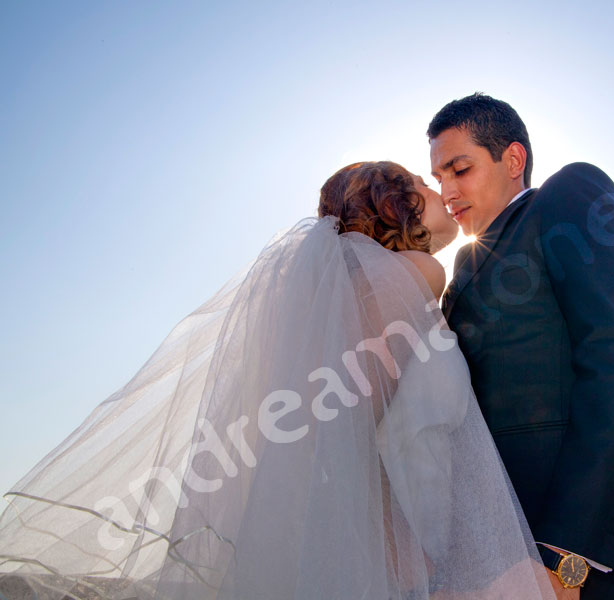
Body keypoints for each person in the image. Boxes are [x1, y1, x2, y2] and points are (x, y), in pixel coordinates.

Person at [0, 161, 556, 600]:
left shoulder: (367, 290)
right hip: (396, 559)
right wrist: (405, 550)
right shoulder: (419, 274)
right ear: (395, 204)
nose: (438, 190)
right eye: (419, 181)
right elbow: (348, 423)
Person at [429, 93, 614, 600]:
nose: (447, 189)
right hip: (492, 553)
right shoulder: (459, 272)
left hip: (580, 561)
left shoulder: (567, 196)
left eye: (459, 168)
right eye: (438, 178)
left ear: (513, 159)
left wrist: (568, 553)